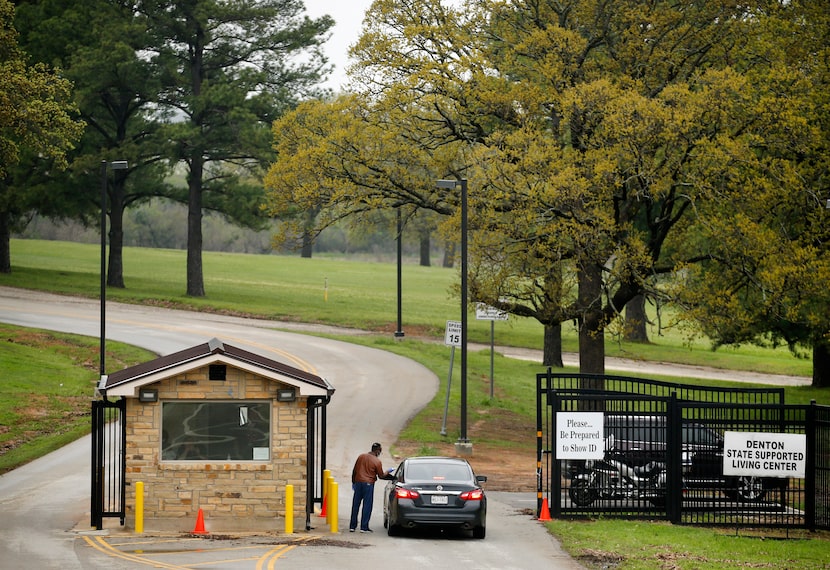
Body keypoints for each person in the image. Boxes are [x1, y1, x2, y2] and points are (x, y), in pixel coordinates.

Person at [349, 442, 394, 532]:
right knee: (367, 505)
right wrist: (388, 472)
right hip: (368, 484)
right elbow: (381, 476)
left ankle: (352, 526)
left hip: (358, 482)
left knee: (355, 504)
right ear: (378, 451)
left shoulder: (361, 456)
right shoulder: (377, 461)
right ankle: (364, 527)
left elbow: (354, 470)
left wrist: (353, 482)